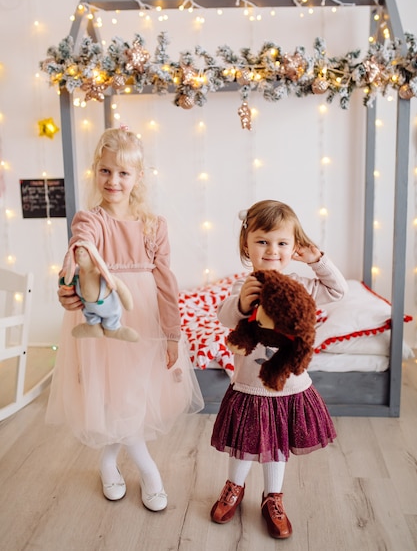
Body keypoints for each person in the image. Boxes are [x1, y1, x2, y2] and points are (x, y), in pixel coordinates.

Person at [46, 126, 203, 511]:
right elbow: (79, 249)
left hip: (145, 319)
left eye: (123, 173)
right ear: (95, 171)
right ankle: (148, 469)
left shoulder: (154, 225)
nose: (113, 181)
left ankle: (107, 460)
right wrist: (68, 286)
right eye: (105, 171)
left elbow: (165, 282)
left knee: (133, 393)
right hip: (105, 323)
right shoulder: (90, 219)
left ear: (138, 177)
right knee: (115, 395)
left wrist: (171, 333)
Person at [210, 199, 348, 539]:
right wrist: (243, 303)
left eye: (282, 243)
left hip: (288, 387)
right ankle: (234, 487)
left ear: (294, 248)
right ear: (247, 244)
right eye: (262, 241)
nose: (272, 250)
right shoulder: (245, 285)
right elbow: (225, 317)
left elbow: (339, 290)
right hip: (249, 386)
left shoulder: (303, 286)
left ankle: (273, 497)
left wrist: (317, 259)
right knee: (244, 444)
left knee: (276, 448)